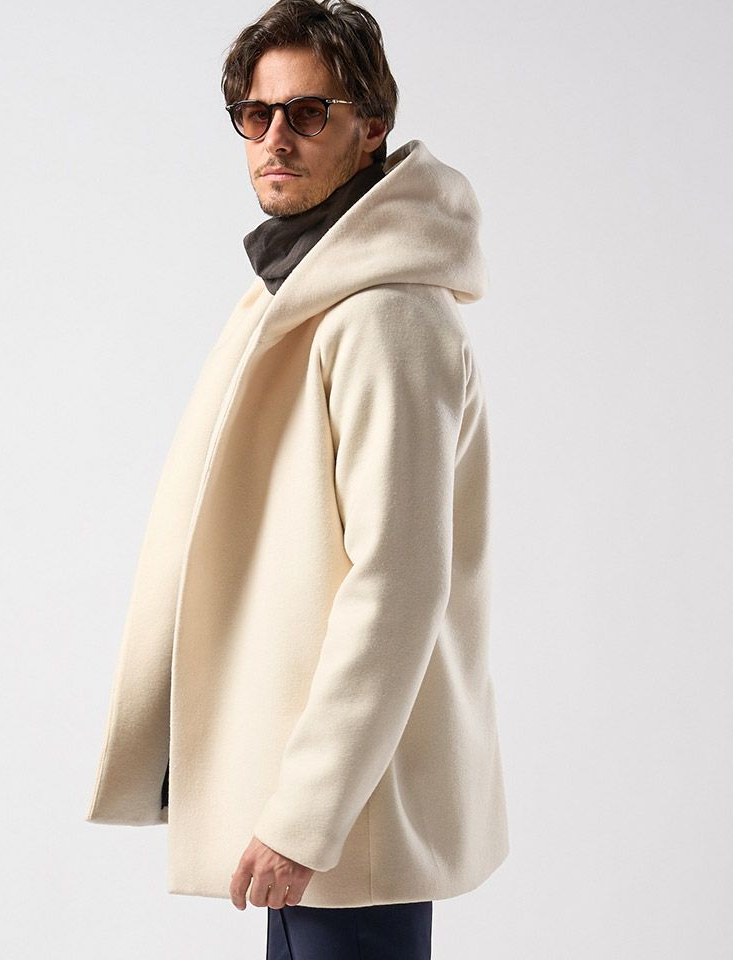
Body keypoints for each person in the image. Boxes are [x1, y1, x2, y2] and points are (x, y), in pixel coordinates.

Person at [85, 2, 510, 957]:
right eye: (255, 113)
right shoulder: (296, 290)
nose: (275, 138)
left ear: (371, 127)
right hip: (307, 796)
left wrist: (307, 817)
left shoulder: (386, 318)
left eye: (308, 113)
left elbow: (397, 584)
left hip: (345, 816)